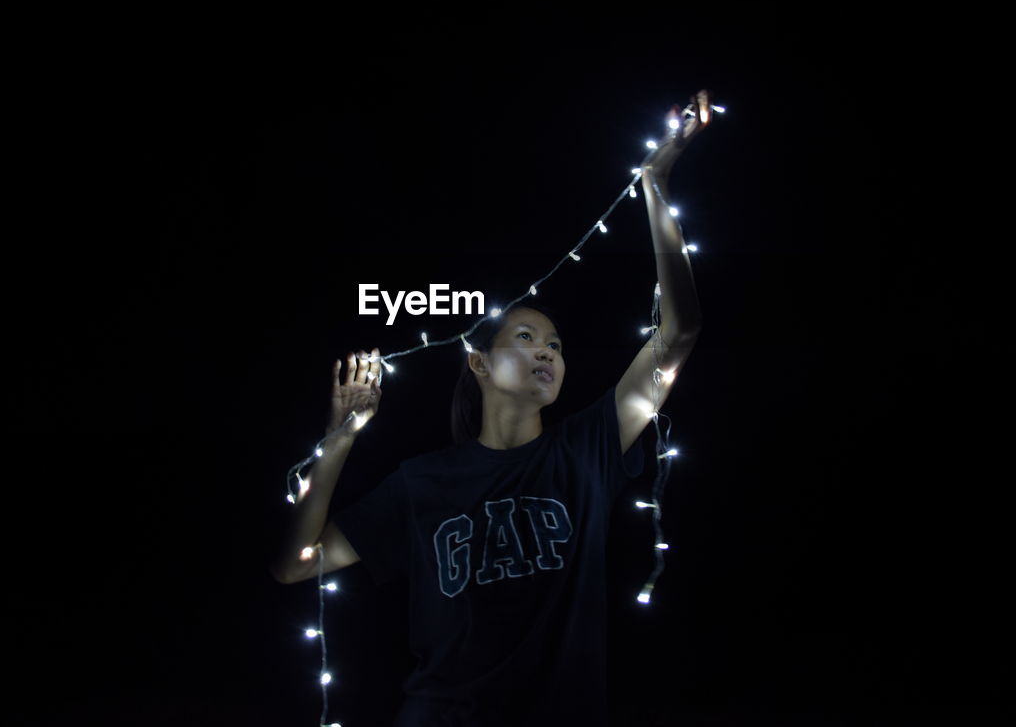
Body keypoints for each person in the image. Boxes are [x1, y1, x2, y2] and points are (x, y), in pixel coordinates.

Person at [271, 92, 711, 726]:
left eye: (555, 345)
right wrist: (339, 440)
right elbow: (295, 565)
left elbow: (680, 332)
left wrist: (655, 184)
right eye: (525, 338)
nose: (547, 353)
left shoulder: (586, 447)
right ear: (478, 363)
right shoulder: (423, 483)